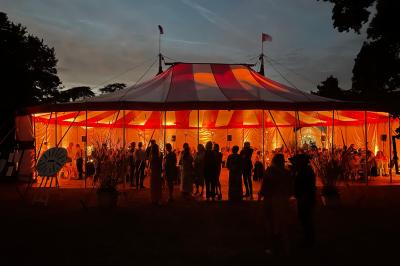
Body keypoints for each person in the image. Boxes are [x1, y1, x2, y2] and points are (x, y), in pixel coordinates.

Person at [259, 153, 293, 256]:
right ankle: (286, 248)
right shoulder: (287, 173)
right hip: (283, 200)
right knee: (283, 224)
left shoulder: (270, 172)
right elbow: (291, 188)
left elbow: (265, 186)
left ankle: (275, 248)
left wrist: (262, 194)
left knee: (272, 224)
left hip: (271, 200)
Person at [292, 153, 316, 247]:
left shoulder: (305, 172)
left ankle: (308, 238)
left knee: (306, 218)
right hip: (304, 197)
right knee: (304, 218)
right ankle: (308, 237)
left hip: (305, 197)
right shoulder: (304, 171)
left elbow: (304, 185)